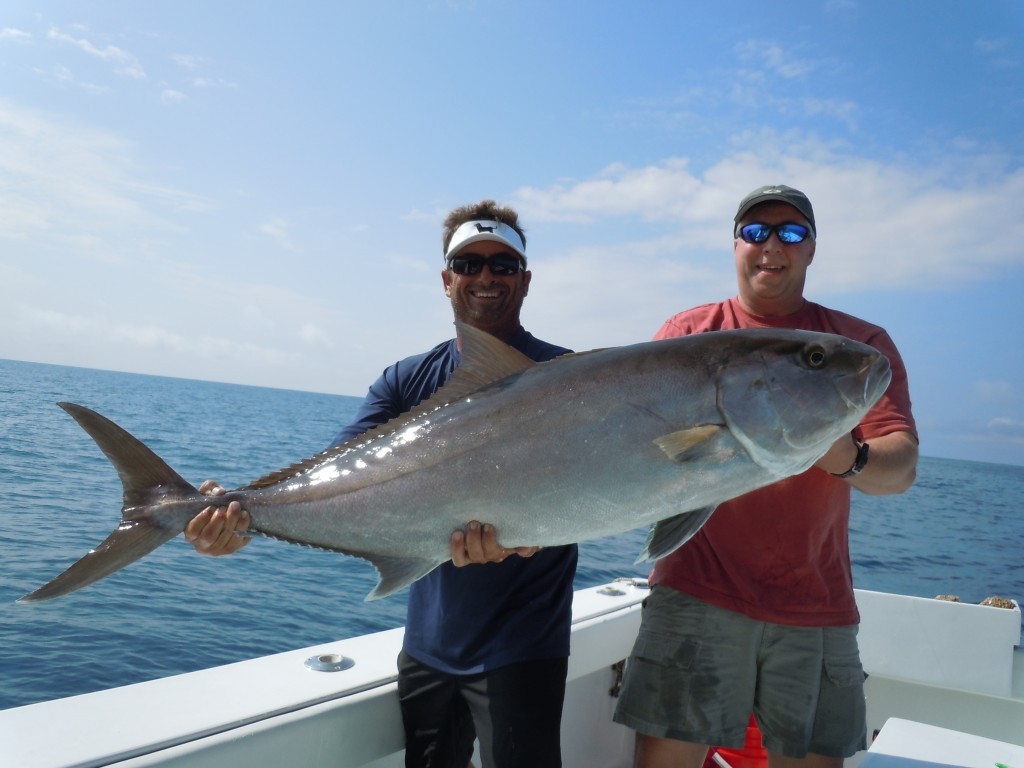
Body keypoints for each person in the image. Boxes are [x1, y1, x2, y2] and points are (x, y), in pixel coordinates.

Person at [184, 199, 578, 768]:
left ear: (526, 279)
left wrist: (540, 527)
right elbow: (332, 481)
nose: (486, 277)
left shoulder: (570, 380)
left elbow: (592, 483)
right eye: (468, 265)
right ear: (446, 280)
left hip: (524, 648)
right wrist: (241, 519)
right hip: (428, 648)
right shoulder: (404, 380)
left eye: (502, 264)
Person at [612, 185, 919, 768]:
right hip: (695, 588)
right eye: (755, 232)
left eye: (791, 232)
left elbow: (899, 466)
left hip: (814, 603)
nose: (771, 244)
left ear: (810, 249)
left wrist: (841, 456)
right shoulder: (688, 333)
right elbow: (632, 448)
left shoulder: (857, 350)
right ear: (735, 247)